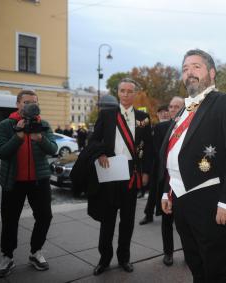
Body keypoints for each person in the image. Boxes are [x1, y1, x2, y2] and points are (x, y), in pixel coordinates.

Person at [160, 49, 226, 282]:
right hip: (181, 200)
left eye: (196, 67)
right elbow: (173, 154)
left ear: (211, 73)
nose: (189, 72)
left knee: (216, 269)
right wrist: (166, 191)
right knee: (195, 263)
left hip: (211, 201)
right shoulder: (183, 110)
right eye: (185, 69)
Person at [89, 78, 153, 275]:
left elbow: (149, 148)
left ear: (135, 94)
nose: (126, 94)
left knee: (127, 220)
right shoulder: (107, 114)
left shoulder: (143, 117)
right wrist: (99, 153)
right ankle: (104, 259)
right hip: (110, 171)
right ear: (118, 93)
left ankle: (124, 258)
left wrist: (146, 172)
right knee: (107, 220)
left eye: (129, 91)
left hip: (132, 174)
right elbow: (94, 140)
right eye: (122, 91)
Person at [0, 89, 57, 278]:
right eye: (26, 102)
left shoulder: (43, 124)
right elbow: (1, 152)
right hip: (13, 181)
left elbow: (53, 149)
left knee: (45, 216)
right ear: (18, 104)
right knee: (10, 220)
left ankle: (35, 252)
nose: (30, 106)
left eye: (34, 102)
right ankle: (7, 255)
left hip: (39, 180)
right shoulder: (6, 125)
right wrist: (18, 136)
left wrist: (41, 139)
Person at [140, 96, 185, 267]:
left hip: (185, 181)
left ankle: (189, 252)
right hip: (166, 181)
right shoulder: (161, 128)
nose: (172, 110)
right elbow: (155, 154)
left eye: (176, 107)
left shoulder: (192, 127)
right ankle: (168, 253)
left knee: (184, 222)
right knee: (167, 219)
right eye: (171, 107)